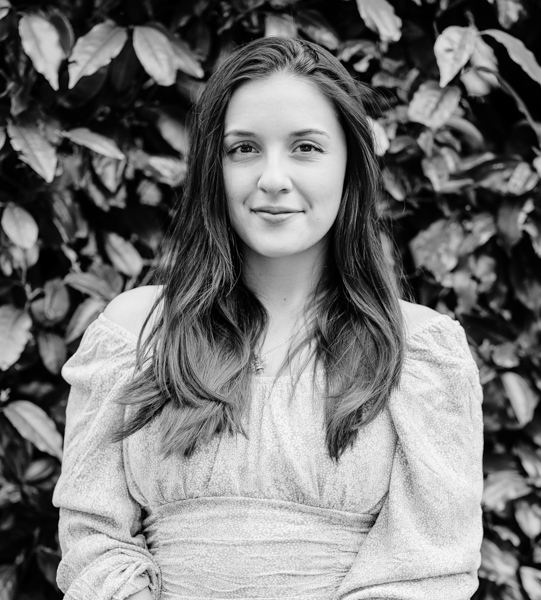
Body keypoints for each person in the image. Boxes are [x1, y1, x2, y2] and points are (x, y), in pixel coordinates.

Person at [53, 36, 484, 600]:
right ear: (214, 168)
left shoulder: (422, 353)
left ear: (351, 166)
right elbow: (91, 538)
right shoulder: (135, 333)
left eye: (305, 147)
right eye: (244, 148)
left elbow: (429, 569)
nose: (273, 178)